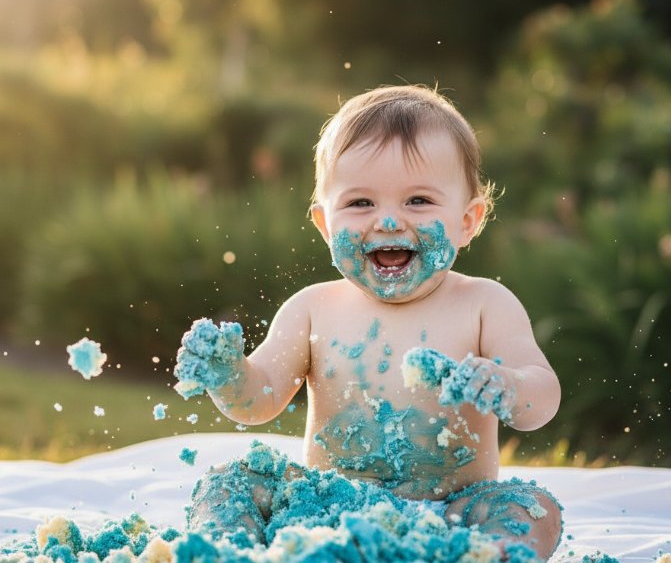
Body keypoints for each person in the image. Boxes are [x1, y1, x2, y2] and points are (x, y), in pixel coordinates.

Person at [172, 84, 563, 560]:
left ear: (468, 220)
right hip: (323, 511)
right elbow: (258, 400)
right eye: (360, 203)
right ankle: (225, 551)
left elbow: (541, 396)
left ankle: (487, 555)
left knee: (534, 507)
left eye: (418, 200)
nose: (390, 221)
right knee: (230, 482)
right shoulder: (313, 307)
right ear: (325, 224)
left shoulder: (484, 304)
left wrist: (506, 385)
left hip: (452, 513)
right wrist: (228, 374)